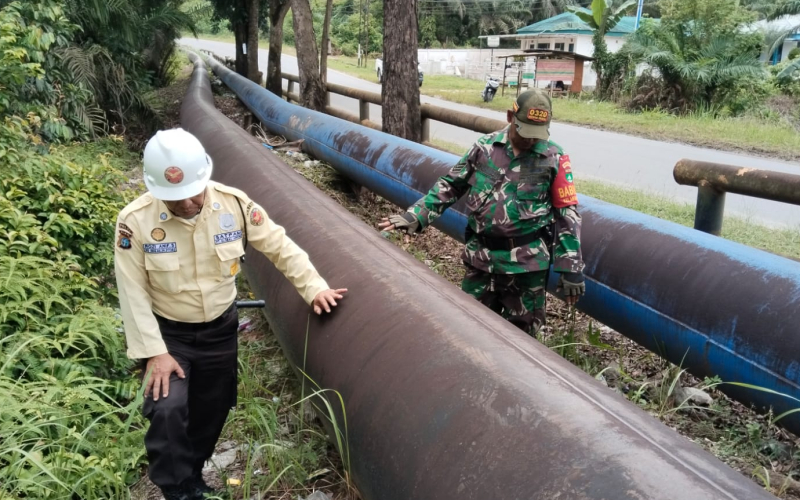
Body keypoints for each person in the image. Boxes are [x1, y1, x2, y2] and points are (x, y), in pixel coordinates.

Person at [114, 128, 347, 500]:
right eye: (175, 199)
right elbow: (131, 291)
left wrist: (314, 287)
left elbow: (280, 246)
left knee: (214, 407)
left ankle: (193, 473)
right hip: (167, 336)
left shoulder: (234, 205)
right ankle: (176, 490)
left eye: (193, 192)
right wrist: (154, 352)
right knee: (167, 408)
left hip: (220, 330)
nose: (187, 203)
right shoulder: (136, 221)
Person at [379, 89, 584, 336]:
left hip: (525, 269)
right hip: (481, 260)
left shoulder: (555, 157)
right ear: (511, 116)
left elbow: (567, 213)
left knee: (521, 339)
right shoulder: (484, 148)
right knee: (468, 330)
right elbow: (451, 185)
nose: (531, 140)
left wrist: (570, 267)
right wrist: (417, 215)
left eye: (537, 134)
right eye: (525, 131)